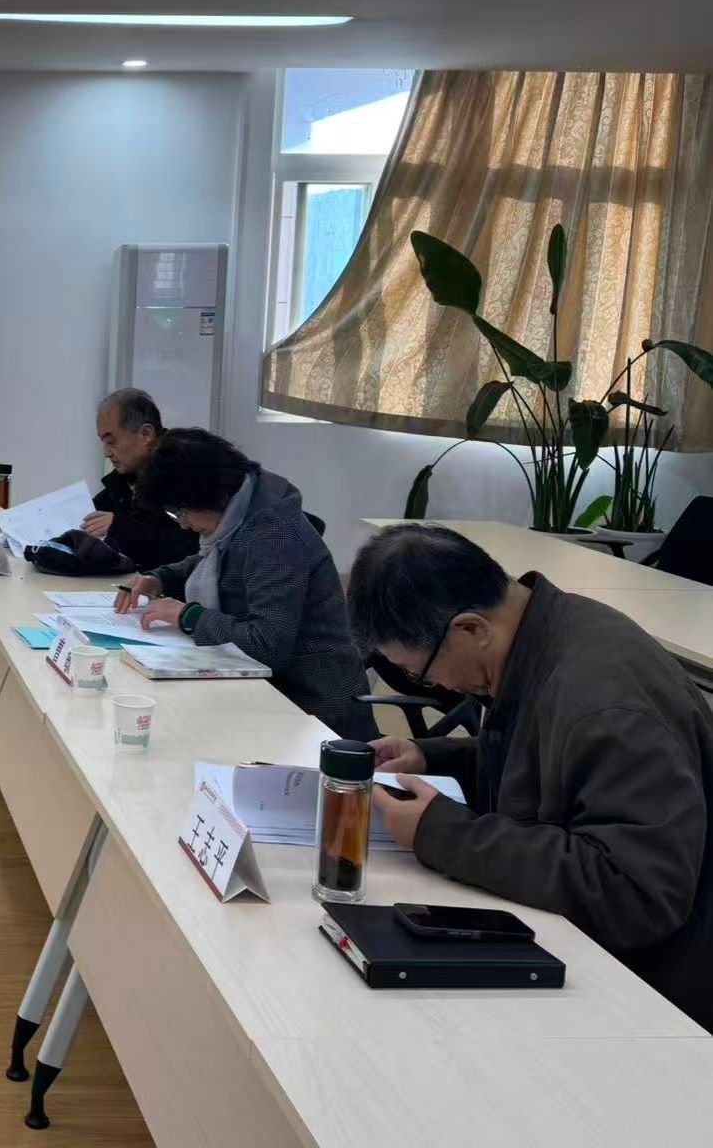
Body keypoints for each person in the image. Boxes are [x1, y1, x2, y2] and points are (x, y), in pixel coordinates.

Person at [348, 523, 713, 1030]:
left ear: (470, 629)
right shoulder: (544, 632)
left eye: (418, 671)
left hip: (656, 992)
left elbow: (635, 893)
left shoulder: (605, 702)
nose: (432, 685)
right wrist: (433, 758)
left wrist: (442, 833)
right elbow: (553, 762)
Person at [114, 428, 375, 739]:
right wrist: (161, 578)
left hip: (314, 712)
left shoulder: (274, 535)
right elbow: (216, 561)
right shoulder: (244, 505)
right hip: (269, 692)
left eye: (182, 511)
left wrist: (188, 616)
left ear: (208, 494)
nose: (183, 524)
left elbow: (267, 645)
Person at [83, 388, 199, 570]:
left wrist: (119, 527)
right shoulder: (127, 477)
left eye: (111, 441)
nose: (106, 453)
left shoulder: (187, 473)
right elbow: (97, 512)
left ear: (146, 434)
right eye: (102, 442)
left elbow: (187, 551)